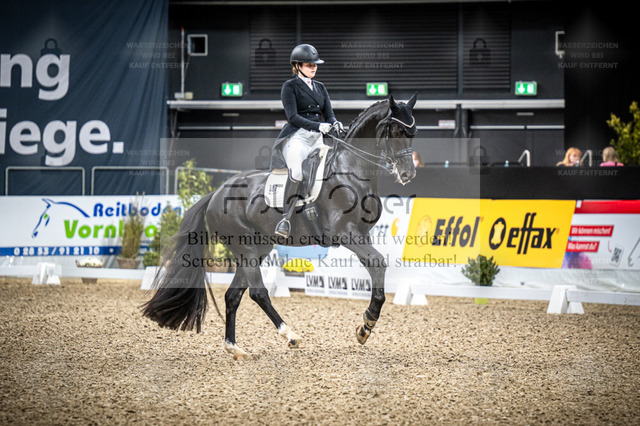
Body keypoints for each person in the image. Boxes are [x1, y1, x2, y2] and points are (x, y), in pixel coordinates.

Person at [270, 44, 343, 238]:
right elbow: (292, 117)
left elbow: (329, 114)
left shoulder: (320, 87)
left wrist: (334, 123)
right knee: (296, 172)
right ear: (297, 66)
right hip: (297, 137)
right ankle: (285, 218)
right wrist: (318, 126)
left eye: (315, 64)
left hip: (317, 138)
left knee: (333, 166)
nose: (313, 67)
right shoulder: (290, 87)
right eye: (309, 64)